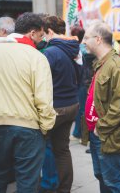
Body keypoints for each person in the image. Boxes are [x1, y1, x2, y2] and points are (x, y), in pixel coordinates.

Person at [0, 12, 56, 192]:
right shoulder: (36, 57)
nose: (41, 40)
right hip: (29, 127)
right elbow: (44, 99)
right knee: (27, 181)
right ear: (32, 33)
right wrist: (46, 127)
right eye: (41, 35)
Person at [82, 20, 120, 193]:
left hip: (107, 134)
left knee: (115, 180)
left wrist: (100, 127)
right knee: (103, 176)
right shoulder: (102, 63)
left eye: (86, 37)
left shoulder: (116, 66)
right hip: (99, 133)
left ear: (97, 39)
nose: (83, 41)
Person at [39, 16, 80, 193]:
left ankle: (48, 186)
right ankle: (64, 188)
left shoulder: (51, 52)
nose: (42, 37)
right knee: (62, 149)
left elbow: (40, 81)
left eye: (43, 33)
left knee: (46, 145)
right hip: (72, 104)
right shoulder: (74, 49)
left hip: (57, 106)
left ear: (49, 31)